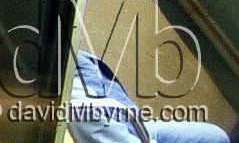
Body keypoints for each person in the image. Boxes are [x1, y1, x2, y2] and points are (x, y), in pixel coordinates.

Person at [69, 51, 234, 143]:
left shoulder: (75, 55)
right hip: (110, 127)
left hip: (131, 124)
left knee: (215, 137)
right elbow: (83, 114)